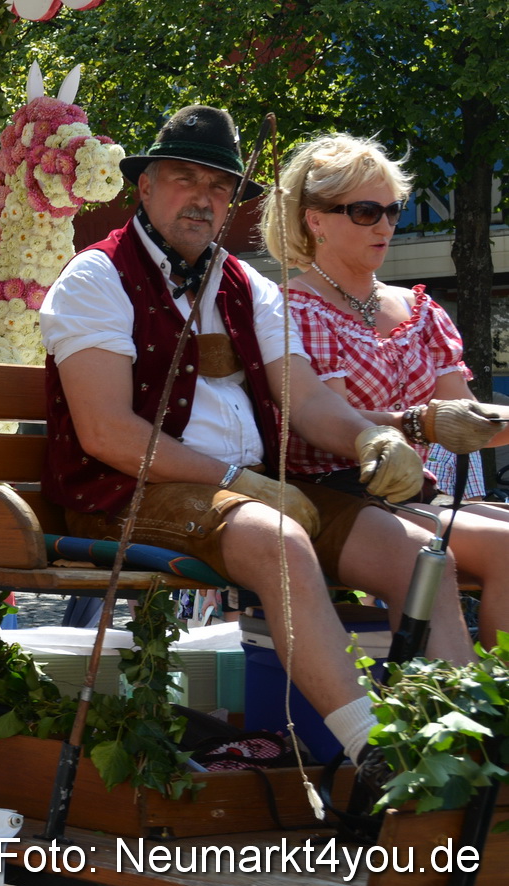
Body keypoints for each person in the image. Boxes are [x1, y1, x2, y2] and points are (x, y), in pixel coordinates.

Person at [39, 105, 504, 785]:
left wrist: (371, 436)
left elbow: (308, 400)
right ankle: (370, 752)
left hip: (251, 492)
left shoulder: (245, 285)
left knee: (416, 553)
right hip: (124, 493)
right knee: (278, 536)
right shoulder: (95, 277)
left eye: (220, 186)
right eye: (183, 178)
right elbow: (108, 433)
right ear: (144, 186)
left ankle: (467, 756)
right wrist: (241, 480)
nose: (202, 197)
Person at [259, 134, 509, 504]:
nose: (385, 226)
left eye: (393, 210)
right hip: (333, 498)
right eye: (365, 212)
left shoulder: (420, 310)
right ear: (315, 221)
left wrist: (461, 423)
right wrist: (425, 424)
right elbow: (330, 425)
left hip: (412, 495)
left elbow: (469, 421)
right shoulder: (292, 310)